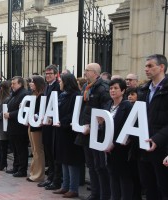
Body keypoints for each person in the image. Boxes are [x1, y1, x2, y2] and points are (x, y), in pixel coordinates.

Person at [75, 63, 111, 200]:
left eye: (87, 71)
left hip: (98, 134)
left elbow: (105, 113)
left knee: (100, 166)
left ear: (95, 73)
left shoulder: (103, 88)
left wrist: (95, 127)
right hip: (86, 132)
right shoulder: (86, 87)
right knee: (91, 165)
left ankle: (104, 194)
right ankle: (95, 193)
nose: (85, 73)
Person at [138, 54, 168, 200]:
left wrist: (157, 138)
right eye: (145, 66)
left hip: (163, 149)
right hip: (144, 148)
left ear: (161, 67)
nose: (146, 69)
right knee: (149, 187)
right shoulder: (144, 90)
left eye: (150, 66)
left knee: (164, 187)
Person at [52, 74, 84, 198]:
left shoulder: (75, 96)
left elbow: (74, 114)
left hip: (70, 132)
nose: (60, 83)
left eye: (61, 81)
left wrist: (63, 122)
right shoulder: (62, 95)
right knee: (63, 159)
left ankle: (73, 188)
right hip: (61, 131)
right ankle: (65, 186)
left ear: (67, 82)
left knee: (71, 161)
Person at [103, 78, 134, 200]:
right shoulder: (108, 105)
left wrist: (115, 144)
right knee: (112, 176)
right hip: (109, 148)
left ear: (123, 90)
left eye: (116, 88)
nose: (112, 91)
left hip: (122, 148)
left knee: (124, 177)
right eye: (111, 88)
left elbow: (128, 128)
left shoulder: (127, 106)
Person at [38, 64, 62, 190]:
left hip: (54, 123)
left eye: (50, 74)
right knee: (47, 150)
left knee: (53, 152)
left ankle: (56, 179)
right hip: (46, 123)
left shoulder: (58, 87)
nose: (47, 76)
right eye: (46, 74)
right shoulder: (47, 86)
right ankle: (50, 177)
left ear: (56, 74)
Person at [4, 76, 29, 177]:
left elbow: (23, 110)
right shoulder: (14, 94)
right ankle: (16, 167)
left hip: (19, 127)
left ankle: (22, 169)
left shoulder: (24, 94)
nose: (12, 85)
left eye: (14, 83)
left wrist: (10, 114)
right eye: (12, 83)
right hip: (12, 126)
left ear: (20, 84)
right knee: (15, 149)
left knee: (21, 149)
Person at [26, 75, 46, 182]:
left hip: (37, 126)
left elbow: (41, 110)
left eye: (33, 82)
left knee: (38, 150)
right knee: (34, 150)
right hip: (31, 124)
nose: (30, 84)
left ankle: (38, 174)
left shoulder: (42, 95)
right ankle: (33, 172)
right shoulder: (33, 94)